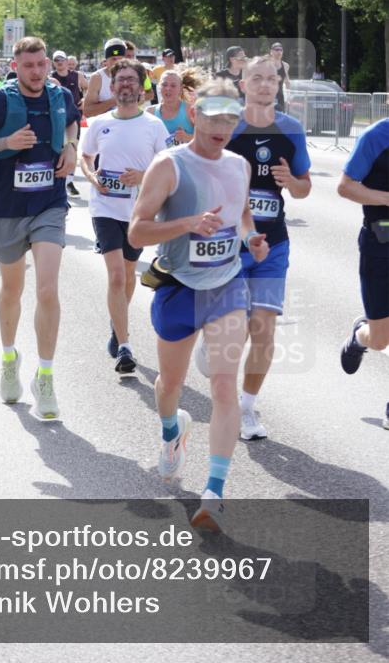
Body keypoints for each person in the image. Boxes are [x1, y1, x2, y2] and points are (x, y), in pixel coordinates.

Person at [128, 78, 268, 531]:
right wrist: (189, 223)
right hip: (178, 286)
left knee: (224, 387)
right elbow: (137, 232)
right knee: (169, 386)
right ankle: (172, 433)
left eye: (231, 118)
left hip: (226, 285)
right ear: (194, 114)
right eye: (213, 116)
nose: (222, 126)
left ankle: (214, 492)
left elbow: (241, 211)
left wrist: (250, 238)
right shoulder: (169, 166)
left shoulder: (240, 165)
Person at [0, 36, 80, 419]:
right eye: (29, 66)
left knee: (47, 289)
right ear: (16, 67)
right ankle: (10, 358)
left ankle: (45, 376)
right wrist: (5, 142)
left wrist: (72, 147)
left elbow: (74, 125)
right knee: (12, 289)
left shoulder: (60, 97)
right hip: (8, 208)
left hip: (50, 204)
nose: (37, 71)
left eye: (42, 64)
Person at [221, 55, 311, 440]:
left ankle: (246, 408)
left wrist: (291, 180)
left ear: (278, 86)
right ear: (242, 84)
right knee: (234, 330)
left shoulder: (291, 129)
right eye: (255, 78)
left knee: (263, 330)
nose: (263, 85)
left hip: (273, 246)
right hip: (229, 246)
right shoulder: (226, 127)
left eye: (270, 79)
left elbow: (305, 188)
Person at [81, 58, 167, 374]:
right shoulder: (102, 123)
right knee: (117, 275)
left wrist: (142, 176)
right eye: (121, 80)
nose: (126, 84)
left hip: (138, 212)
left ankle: (116, 324)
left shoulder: (153, 126)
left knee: (129, 274)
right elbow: (86, 158)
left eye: (132, 79)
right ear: (113, 86)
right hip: (105, 208)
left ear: (142, 86)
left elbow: (167, 167)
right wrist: (93, 179)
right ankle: (125, 345)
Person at [338, 117, 389, 429]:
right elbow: (345, 186)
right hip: (380, 243)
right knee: (381, 340)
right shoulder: (377, 135)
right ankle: (361, 336)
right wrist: (386, 198)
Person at [51, 50, 88, 196]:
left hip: (74, 117)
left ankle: (70, 181)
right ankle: (60, 178)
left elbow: (88, 87)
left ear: (67, 61)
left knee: (73, 145)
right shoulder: (51, 78)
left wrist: (85, 100)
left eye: (62, 59)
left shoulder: (77, 76)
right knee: (59, 147)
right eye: (56, 60)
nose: (59, 62)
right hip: (58, 117)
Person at [147, 71, 195, 146]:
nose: (168, 88)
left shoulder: (190, 110)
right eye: (164, 85)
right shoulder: (150, 112)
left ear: (181, 88)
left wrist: (188, 137)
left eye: (173, 86)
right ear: (159, 87)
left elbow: (207, 140)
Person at [82, 38, 127, 119]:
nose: (116, 62)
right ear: (106, 60)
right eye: (113, 59)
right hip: (104, 126)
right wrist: (114, 101)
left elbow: (145, 97)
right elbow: (87, 111)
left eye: (120, 59)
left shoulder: (132, 75)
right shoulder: (97, 77)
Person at [269, 42, 290, 111]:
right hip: (268, 95)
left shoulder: (285, 65)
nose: (279, 52)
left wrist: (288, 97)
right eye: (277, 50)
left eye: (281, 50)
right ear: (271, 52)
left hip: (280, 96)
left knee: (280, 118)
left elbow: (287, 82)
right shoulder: (267, 65)